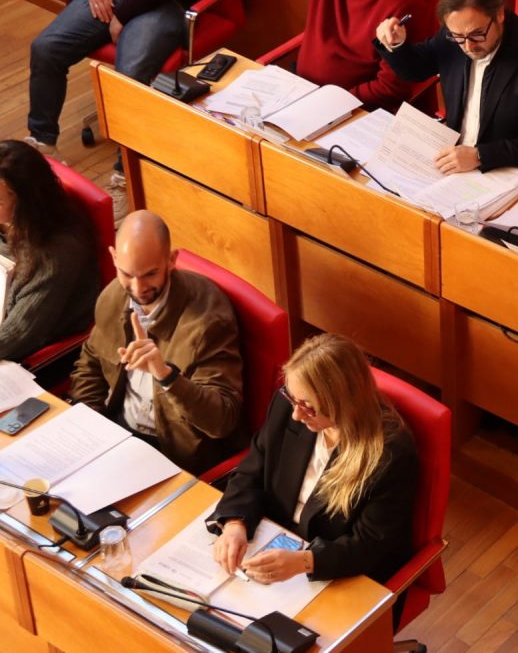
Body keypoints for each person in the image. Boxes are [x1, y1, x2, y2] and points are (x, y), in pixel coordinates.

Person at [208, 333, 418, 589]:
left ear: (344, 402)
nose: (296, 415)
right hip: (273, 539)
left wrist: (304, 562)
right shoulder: (288, 408)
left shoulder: (391, 454)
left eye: (308, 406)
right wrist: (234, 523)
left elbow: (369, 544)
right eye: (293, 399)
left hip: (338, 571)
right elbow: (254, 467)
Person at [69, 210, 244, 474]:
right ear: (114, 258)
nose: (138, 288)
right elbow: (90, 363)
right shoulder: (113, 296)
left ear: (171, 260)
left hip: (174, 457)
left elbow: (222, 420)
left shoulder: (208, 322)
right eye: (127, 274)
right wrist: (92, 427)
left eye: (150, 274)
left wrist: (166, 376)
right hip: (117, 434)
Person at [25, 0, 206, 223]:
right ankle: (43, 145)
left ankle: (126, 179)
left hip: (162, 3)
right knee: (45, 49)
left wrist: (122, 15)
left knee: (128, 76)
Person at [374, 0, 518, 175]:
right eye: (458, 37)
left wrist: (480, 156)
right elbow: (415, 70)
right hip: (456, 162)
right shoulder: (455, 35)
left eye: (477, 34)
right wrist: (396, 44)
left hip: (511, 170)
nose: (468, 47)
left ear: (499, 14)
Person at [0, 140, 99, 361]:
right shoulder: (6, 220)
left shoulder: (55, 254)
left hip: (40, 350)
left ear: (26, 206)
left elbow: (17, 335)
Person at [291, 0, 434, 111]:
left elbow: (391, 88)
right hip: (300, 93)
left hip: (350, 111)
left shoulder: (405, 2)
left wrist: (336, 103)